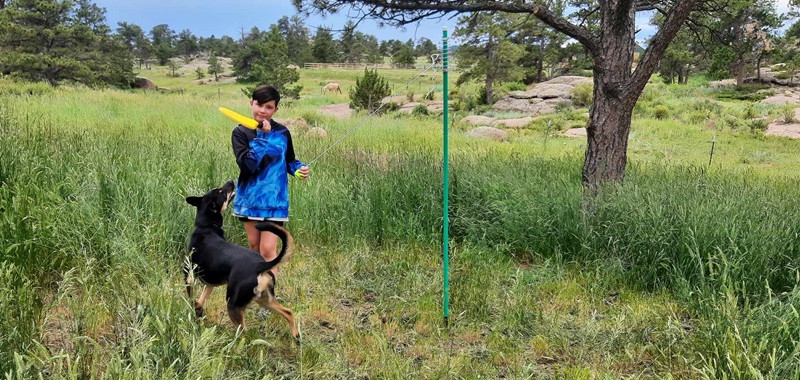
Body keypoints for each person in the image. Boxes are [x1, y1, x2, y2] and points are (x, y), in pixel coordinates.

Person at [231, 85, 310, 276]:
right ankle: (254, 288)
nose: (262, 111)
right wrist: (262, 137)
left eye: (268, 107)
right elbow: (247, 166)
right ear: (251, 103)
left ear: (275, 110)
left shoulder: (283, 132)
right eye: (259, 104)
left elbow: (289, 160)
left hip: (275, 201)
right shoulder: (241, 132)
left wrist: (298, 169)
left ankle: (269, 294)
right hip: (249, 201)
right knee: (254, 248)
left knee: (268, 251)